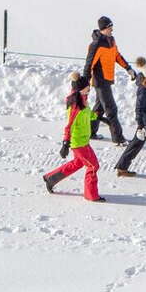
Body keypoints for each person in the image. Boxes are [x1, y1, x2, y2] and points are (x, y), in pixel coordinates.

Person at [43, 73, 103, 201]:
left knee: (78, 163)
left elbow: (87, 115)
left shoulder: (83, 100)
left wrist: (96, 116)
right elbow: (69, 126)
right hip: (78, 143)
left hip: (83, 141)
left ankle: (51, 178)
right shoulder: (75, 106)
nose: (89, 88)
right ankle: (91, 195)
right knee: (93, 166)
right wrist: (65, 143)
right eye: (87, 87)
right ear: (81, 88)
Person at [81, 16, 124, 143]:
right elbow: (89, 65)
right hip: (100, 81)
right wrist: (86, 83)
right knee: (111, 109)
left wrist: (128, 68)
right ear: (103, 29)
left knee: (98, 109)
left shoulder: (111, 40)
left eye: (112, 27)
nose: (112, 30)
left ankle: (90, 132)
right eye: (110, 28)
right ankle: (118, 138)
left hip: (108, 79)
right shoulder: (96, 44)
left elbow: (117, 56)